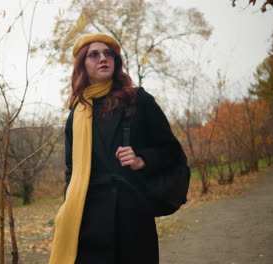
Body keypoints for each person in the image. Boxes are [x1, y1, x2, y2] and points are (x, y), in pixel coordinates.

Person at [49, 33, 188, 264]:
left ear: (116, 61)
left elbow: (172, 151)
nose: (103, 58)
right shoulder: (77, 114)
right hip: (89, 221)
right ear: (83, 64)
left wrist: (142, 159)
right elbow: (71, 170)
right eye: (94, 54)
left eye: (108, 53)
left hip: (132, 217)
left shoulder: (138, 100)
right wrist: (70, 208)